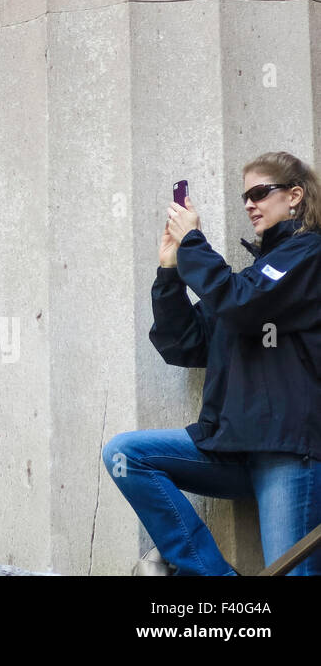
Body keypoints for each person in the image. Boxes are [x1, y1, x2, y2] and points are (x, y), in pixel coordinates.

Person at [103, 151, 321, 576]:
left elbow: (243, 303)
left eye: (260, 192)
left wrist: (193, 244)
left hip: (285, 451)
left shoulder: (307, 256)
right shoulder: (256, 275)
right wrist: (169, 271)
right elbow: (182, 344)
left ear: (294, 196)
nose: (249, 205)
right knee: (126, 454)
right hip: (229, 446)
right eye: (245, 197)